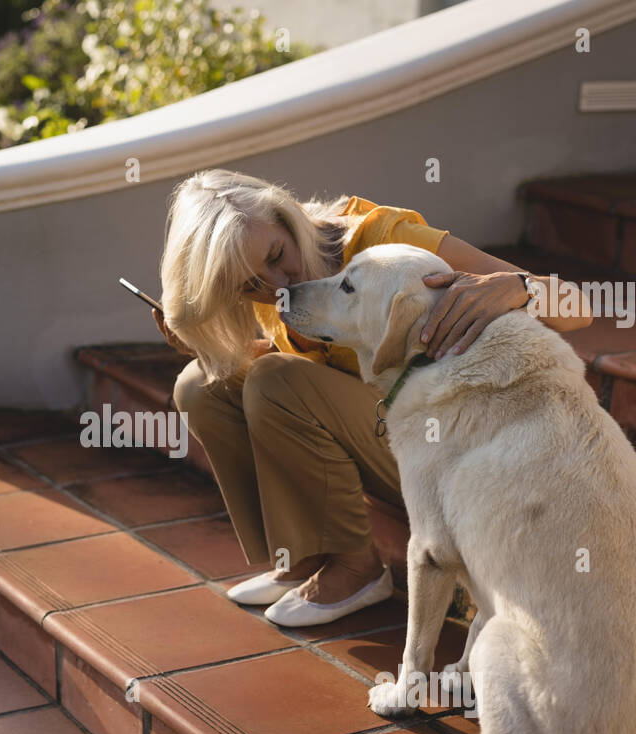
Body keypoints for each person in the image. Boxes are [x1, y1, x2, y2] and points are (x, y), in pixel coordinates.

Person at [154, 169, 591, 627]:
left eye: (277, 255)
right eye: (248, 285)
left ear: (286, 216)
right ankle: (302, 554)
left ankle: (356, 568)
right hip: (391, 434)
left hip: (455, 456)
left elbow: (578, 308)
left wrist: (517, 287)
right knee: (200, 386)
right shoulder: (268, 280)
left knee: (274, 380)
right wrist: (206, 345)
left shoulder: (382, 241)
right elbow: (314, 356)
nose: (275, 285)